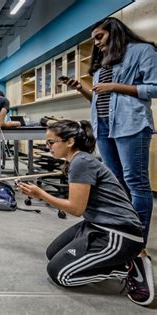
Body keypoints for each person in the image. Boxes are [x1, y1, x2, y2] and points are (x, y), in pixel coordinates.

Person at [17, 120, 154, 306]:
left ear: (70, 142)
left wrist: (40, 194)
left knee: (60, 274)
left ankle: (128, 266)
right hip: (97, 223)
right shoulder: (79, 160)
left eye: (51, 142)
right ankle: (113, 259)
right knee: (52, 253)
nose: (48, 146)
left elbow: (76, 209)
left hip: (119, 233)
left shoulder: (81, 162)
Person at [64, 17, 156, 253]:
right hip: (104, 126)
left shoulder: (142, 51)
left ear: (114, 32)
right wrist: (81, 88)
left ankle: (137, 242)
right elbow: (99, 98)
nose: (96, 43)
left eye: (99, 37)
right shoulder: (104, 63)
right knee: (116, 184)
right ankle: (120, 234)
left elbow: (154, 87)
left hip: (131, 124)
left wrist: (115, 86)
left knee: (136, 183)